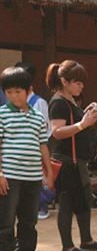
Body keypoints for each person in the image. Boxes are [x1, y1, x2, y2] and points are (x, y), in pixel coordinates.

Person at [0, 66, 54, 251]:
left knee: (29, 220)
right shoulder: (2, 115)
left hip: (32, 176)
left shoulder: (38, 118)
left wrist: (48, 172)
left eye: (18, 91)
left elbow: (43, 146)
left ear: (28, 90)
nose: (14, 96)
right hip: (9, 177)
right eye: (9, 92)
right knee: (5, 219)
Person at [47, 60, 97, 251]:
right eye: (77, 82)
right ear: (64, 81)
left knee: (83, 200)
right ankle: (68, 246)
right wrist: (82, 124)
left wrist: (85, 116)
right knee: (67, 203)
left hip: (77, 161)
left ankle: (86, 239)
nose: (81, 86)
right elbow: (57, 132)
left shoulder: (70, 100)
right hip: (66, 162)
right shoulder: (58, 102)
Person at [23, 63, 52, 220]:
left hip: (36, 147)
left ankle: (42, 205)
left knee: (39, 178)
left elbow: (46, 128)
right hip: (20, 150)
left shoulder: (39, 103)